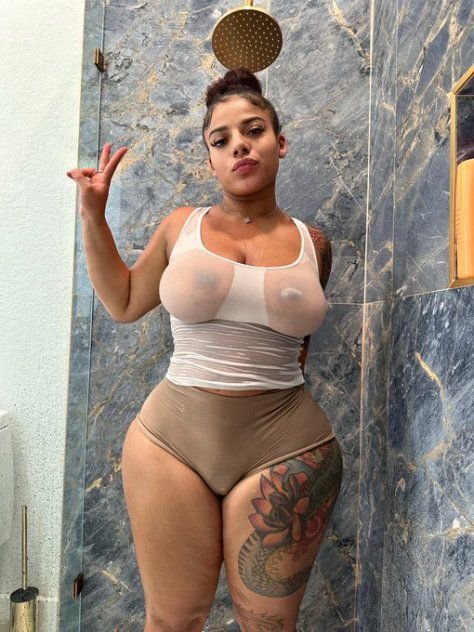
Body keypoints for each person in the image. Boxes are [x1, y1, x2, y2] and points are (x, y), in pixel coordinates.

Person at [67, 68, 344, 632]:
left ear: (280, 143)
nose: (239, 144)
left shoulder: (313, 243)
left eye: (254, 130)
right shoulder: (181, 227)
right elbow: (124, 301)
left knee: (268, 627)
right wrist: (93, 214)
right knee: (173, 621)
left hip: (286, 447)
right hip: (171, 445)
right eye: (221, 139)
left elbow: (298, 350)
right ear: (211, 161)